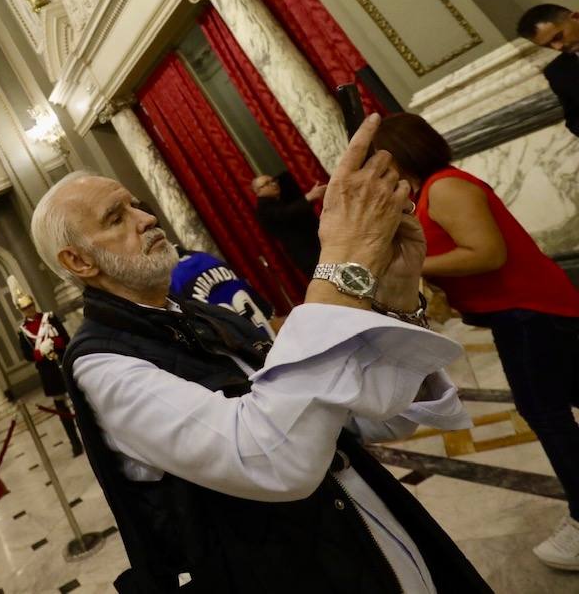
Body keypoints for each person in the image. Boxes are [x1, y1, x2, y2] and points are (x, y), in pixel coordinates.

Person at [31, 115, 489, 592]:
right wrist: (342, 265)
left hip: (373, 530)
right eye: (115, 217)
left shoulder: (207, 317)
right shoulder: (103, 366)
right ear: (79, 261)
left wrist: (394, 297)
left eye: (135, 205)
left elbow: (365, 416)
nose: (146, 217)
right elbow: (269, 460)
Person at [374, 112, 579, 571]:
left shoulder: (445, 187)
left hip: (528, 311)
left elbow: (487, 252)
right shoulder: (434, 189)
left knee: (545, 415)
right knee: (562, 399)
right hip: (533, 310)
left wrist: (415, 266)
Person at [10, 275, 84, 457]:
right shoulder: (23, 332)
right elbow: (27, 355)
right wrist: (40, 351)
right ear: (21, 310)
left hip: (62, 364)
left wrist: (53, 342)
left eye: (31, 306)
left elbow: (65, 339)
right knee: (61, 408)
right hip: (48, 372)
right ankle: (74, 442)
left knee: (79, 402)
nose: (29, 310)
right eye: (25, 308)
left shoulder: (49, 318)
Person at [170, 246, 274, 333]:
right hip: (269, 340)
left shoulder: (172, 280)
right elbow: (265, 312)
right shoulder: (206, 258)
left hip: (239, 349)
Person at [516, 3, 579, 137]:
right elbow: (574, 121)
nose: (557, 47)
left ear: (576, 18)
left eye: (557, 37)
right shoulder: (557, 73)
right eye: (547, 45)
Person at [252, 171, 325, 277]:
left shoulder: (278, 200)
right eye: (267, 183)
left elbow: (297, 213)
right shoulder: (263, 208)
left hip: (315, 245)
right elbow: (284, 214)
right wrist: (309, 197)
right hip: (307, 253)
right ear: (258, 191)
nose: (274, 184)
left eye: (273, 180)